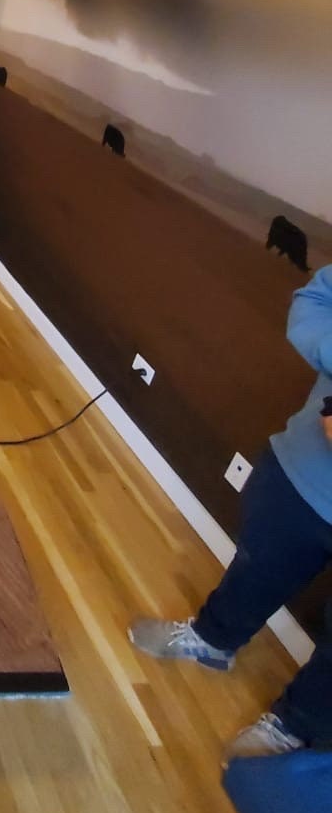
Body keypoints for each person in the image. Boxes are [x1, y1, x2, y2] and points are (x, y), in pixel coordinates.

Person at [130, 264, 332, 757]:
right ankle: (211, 639)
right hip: (302, 475)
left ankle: (292, 727)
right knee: (256, 565)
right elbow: (313, 303)